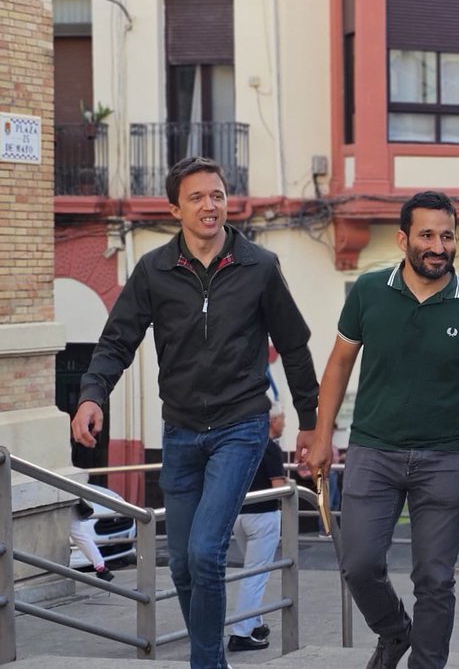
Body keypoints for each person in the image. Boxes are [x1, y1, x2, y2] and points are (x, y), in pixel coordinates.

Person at [70, 156, 319, 669]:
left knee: (206, 551)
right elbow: (118, 341)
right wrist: (92, 394)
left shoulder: (259, 267)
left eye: (218, 195)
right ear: (174, 209)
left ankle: (206, 665)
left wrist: (311, 423)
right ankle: (212, 660)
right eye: (198, 197)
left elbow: (294, 346)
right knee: (181, 562)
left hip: (241, 425)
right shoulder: (154, 271)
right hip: (180, 429)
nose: (211, 205)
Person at [303, 190, 459, 669]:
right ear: (403, 239)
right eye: (428, 235)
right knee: (360, 564)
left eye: (448, 235)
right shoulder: (370, 292)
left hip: (445, 458)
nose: (439, 245)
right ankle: (394, 631)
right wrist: (321, 435)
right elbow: (337, 368)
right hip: (373, 451)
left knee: (435, 579)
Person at [227, 405, 288, 652]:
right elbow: (278, 486)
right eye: (282, 419)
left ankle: (255, 623)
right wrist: (290, 488)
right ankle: (240, 633)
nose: (284, 423)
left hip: (240, 516)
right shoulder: (270, 447)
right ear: (273, 421)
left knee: (251, 572)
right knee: (256, 576)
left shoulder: (243, 444)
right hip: (263, 517)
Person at [69, 499, 114, 582]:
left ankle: (100, 567)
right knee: (78, 534)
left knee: (77, 533)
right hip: (70, 500)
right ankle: (101, 567)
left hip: (68, 500)